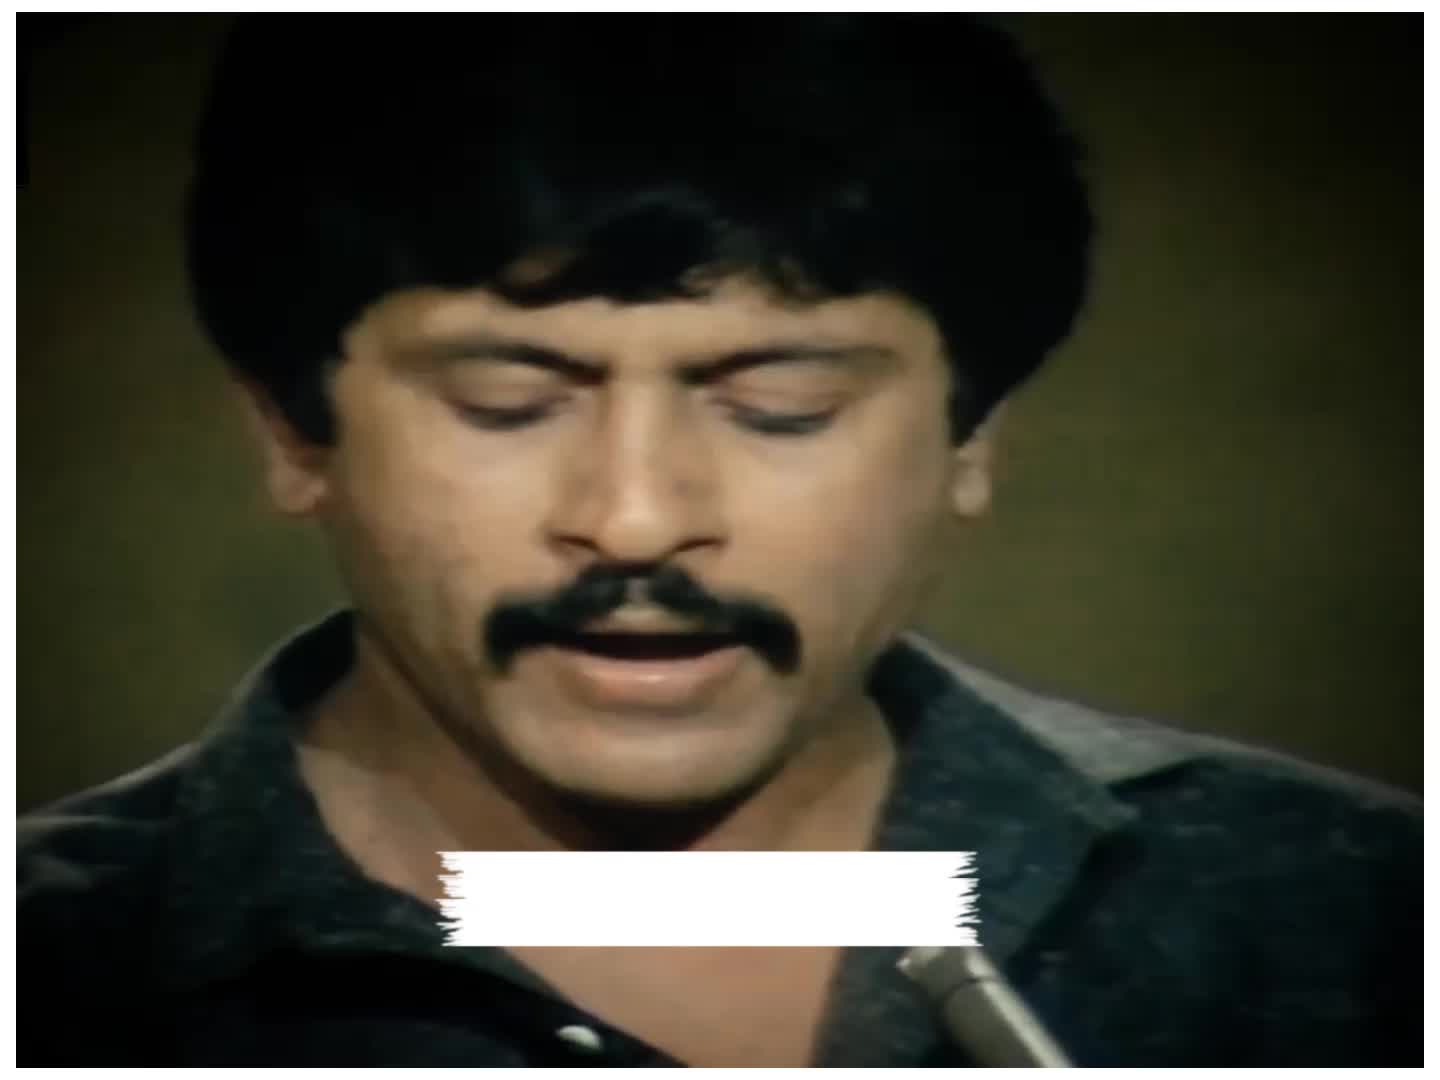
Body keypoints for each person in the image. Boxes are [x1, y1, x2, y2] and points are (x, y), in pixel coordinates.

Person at [17, 14, 1419, 1068]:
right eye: (508, 403)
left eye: (779, 407)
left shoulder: (1348, 920)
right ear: (293, 432)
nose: (637, 517)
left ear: (972, 434)